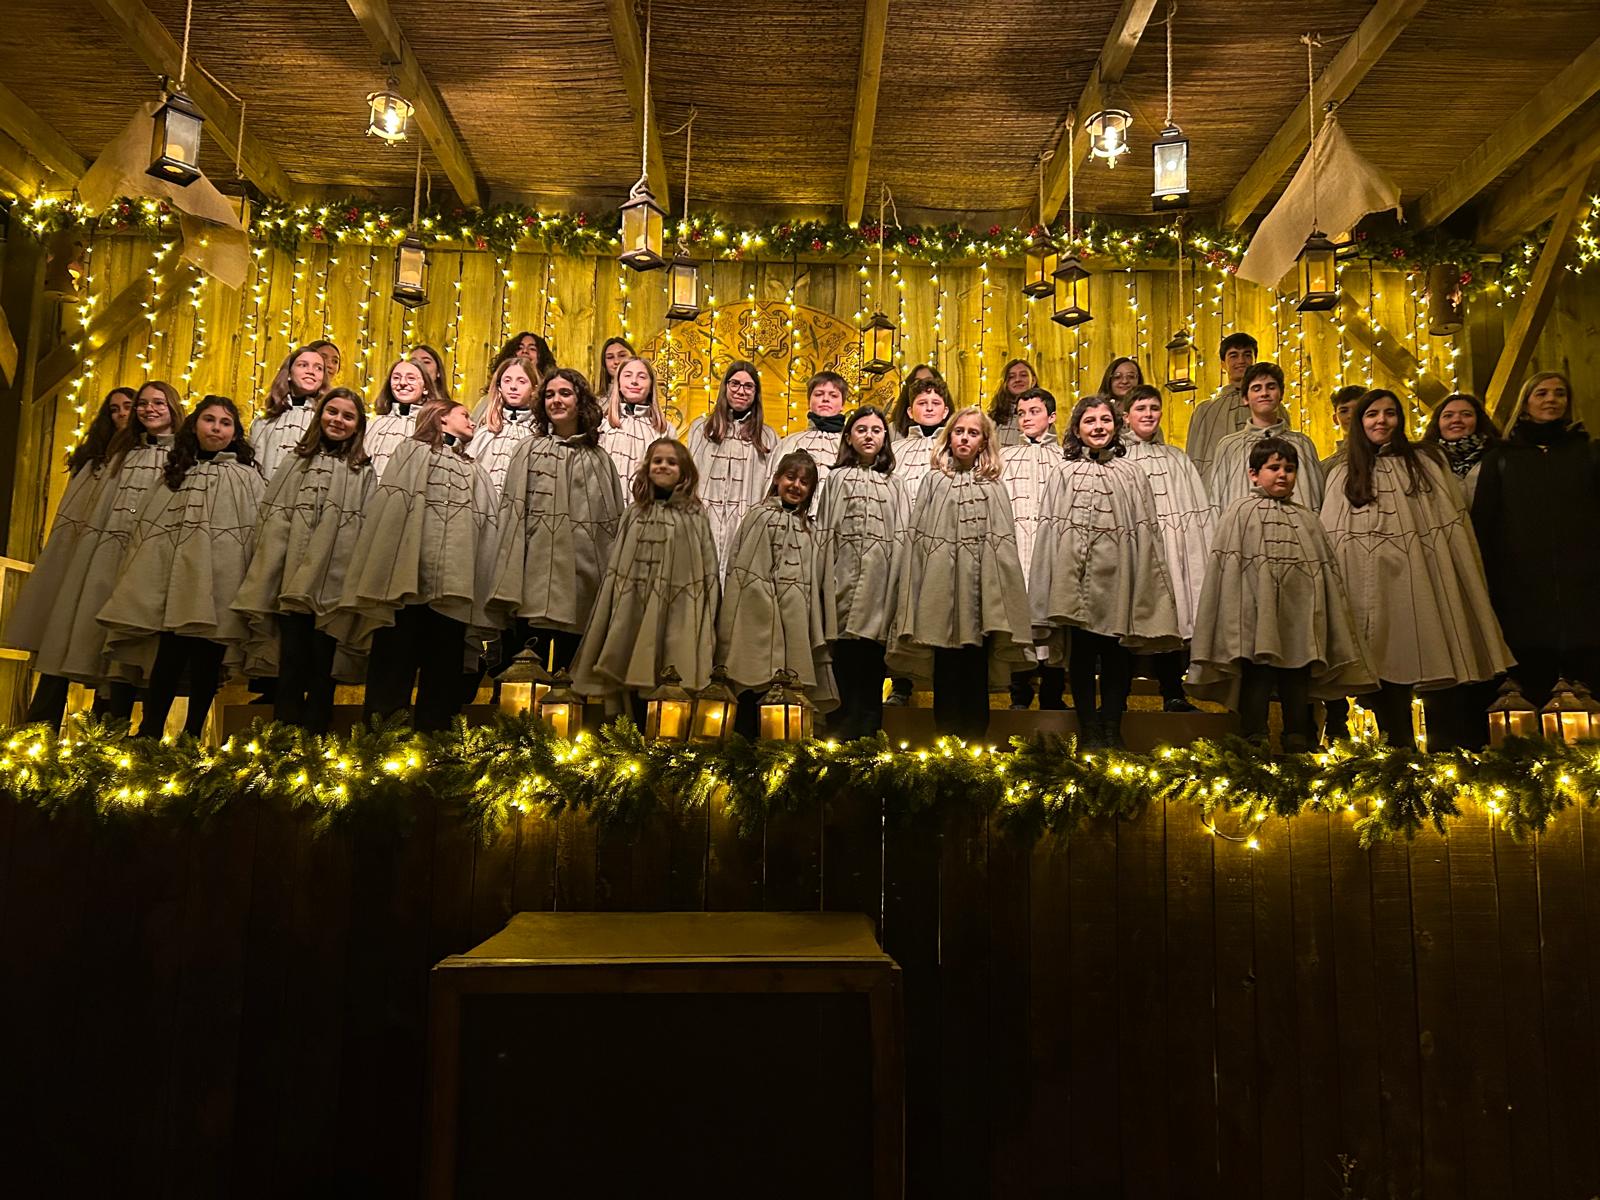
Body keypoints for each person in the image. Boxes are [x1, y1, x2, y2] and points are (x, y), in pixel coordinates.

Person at [1322, 388, 1513, 748]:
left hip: (1422, 583)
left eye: (1390, 413)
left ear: (1401, 419)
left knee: (1437, 665)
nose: (1382, 420)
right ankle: (1396, 751)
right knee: (1381, 674)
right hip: (1369, 590)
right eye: (1372, 414)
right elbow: (1333, 539)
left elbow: (1452, 531)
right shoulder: (1342, 473)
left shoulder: (1426, 463)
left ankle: (1447, 753)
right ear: (1360, 422)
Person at [1187, 438, 1374, 751]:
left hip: (1298, 620)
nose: (1283, 475)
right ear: (1253, 474)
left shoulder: (1307, 520)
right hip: (1254, 618)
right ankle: (1253, 735)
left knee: (1296, 678)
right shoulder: (1239, 513)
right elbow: (1228, 571)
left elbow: (1324, 574)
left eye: (1289, 469)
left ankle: (1298, 734)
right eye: (1273, 468)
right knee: (1257, 676)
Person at [97, 396, 265, 739]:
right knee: (168, 659)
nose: (216, 428)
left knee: (208, 661)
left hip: (221, 582)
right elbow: (151, 529)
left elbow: (255, 531)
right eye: (209, 420)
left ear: (234, 433)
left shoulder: (246, 477)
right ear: (194, 426)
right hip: (174, 584)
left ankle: (191, 737)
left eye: (225, 423)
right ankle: (150, 732)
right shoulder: (175, 473)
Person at [332, 400, 498, 732]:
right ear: (441, 420)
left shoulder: (475, 469)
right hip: (406, 589)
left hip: (454, 591)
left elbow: (485, 529)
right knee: (393, 670)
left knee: (442, 677)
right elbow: (393, 514)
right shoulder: (412, 452)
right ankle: (379, 753)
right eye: (464, 415)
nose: (472, 421)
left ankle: (434, 754)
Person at [24, 382, 185, 718]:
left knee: (122, 653)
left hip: (147, 564)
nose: (147, 409)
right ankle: (42, 729)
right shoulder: (118, 454)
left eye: (158, 403)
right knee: (82, 638)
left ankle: (109, 734)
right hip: (104, 560)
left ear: (172, 407)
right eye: (143, 403)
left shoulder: (183, 456)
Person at [1030, 395, 1182, 749]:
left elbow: (1146, 531)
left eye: (1104, 421)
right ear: (1077, 429)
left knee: (1116, 655)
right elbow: (1051, 531)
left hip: (1119, 580)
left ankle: (1112, 724)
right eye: (1089, 422)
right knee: (1081, 656)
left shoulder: (1131, 474)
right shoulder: (1063, 472)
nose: (1098, 427)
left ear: (1116, 426)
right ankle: (1089, 728)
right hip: (1077, 583)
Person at [233, 388, 374, 732]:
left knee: (323, 664)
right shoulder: (296, 461)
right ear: (320, 415)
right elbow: (273, 518)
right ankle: (284, 739)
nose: (338, 420)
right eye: (333, 412)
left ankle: (316, 740)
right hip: (291, 579)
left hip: (333, 583)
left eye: (348, 416)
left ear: (358, 426)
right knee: (292, 660)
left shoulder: (361, 470)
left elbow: (364, 526)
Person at [887, 407, 1032, 740]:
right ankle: (946, 743)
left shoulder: (994, 486)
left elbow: (1003, 547)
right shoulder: (934, 481)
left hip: (980, 599)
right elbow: (919, 540)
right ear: (949, 437)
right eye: (959, 431)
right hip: (941, 597)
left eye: (973, 433)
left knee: (975, 669)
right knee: (947, 670)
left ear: (983, 442)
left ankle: (975, 745)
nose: (965, 438)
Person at [4, 386, 136, 729]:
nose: (122, 413)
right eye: (114, 409)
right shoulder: (91, 461)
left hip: (115, 561)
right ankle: (38, 728)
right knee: (59, 640)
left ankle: (104, 733)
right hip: (77, 559)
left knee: (104, 650)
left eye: (128, 407)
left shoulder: (142, 460)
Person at [1473, 370, 1600, 707]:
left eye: (1559, 393)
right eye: (1542, 393)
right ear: (1526, 402)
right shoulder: (1500, 458)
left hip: (1585, 590)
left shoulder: (1588, 453)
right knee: (1533, 690)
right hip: (1522, 593)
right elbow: (1484, 525)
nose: (1551, 400)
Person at [486, 368, 624, 676]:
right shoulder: (527, 450)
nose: (556, 400)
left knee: (569, 678)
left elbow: (610, 530)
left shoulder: (599, 459)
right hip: (531, 585)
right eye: (549, 395)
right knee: (519, 677)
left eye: (564, 393)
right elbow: (512, 518)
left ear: (580, 401)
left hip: (580, 588)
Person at [571, 439, 721, 711]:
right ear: (647, 467)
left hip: (677, 609)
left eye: (671, 462)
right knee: (629, 669)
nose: (663, 466)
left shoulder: (694, 515)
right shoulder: (635, 512)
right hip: (632, 608)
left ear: (685, 472)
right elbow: (618, 563)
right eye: (657, 461)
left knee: (669, 671)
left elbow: (706, 567)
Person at [715, 450, 837, 737]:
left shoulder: (810, 529)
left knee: (787, 699)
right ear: (777, 479)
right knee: (750, 688)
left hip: (794, 624)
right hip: (755, 622)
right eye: (790, 477)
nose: (796, 486)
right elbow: (742, 567)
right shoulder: (758, 516)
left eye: (804, 482)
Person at [1121, 384, 1216, 712]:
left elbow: (1194, 515)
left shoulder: (1176, 459)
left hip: (1170, 550)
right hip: (1131, 551)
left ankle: (1173, 691)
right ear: (1126, 416)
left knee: (1169, 614)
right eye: (1140, 408)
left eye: (1153, 408)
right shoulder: (1118, 457)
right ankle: (1119, 699)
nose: (1148, 414)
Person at [817, 406, 907, 739]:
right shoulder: (836, 478)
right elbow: (826, 532)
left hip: (879, 588)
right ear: (850, 437)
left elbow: (902, 536)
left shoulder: (895, 484)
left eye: (876, 430)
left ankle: (869, 741)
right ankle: (836, 740)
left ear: (885, 438)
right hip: (842, 584)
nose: (869, 435)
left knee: (871, 668)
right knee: (842, 665)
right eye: (861, 429)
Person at [885, 374, 953, 706]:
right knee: (903, 613)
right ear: (910, 412)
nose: (929, 409)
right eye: (922, 404)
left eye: (935, 404)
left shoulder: (954, 448)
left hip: (941, 543)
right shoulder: (896, 449)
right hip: (902, 541)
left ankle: (943, 688)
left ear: (945, 410)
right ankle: (902, 686)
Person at [999, 386, 1066, 711]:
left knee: (1054, 618)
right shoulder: (1005, 457)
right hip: (1017, 549)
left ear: (1051, 417)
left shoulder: (1065, 457)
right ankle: (1020, 695)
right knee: (1019, 619)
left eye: (1034, 412)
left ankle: (1052, 696)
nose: (1027, 419)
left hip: (1051, 551)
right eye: (1022, 413)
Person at [685, 360, 776, 573]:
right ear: (725, 386)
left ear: (756, 392)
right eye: (735, 384)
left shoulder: (768, 437)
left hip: (744, 524)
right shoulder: (700, 429)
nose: (741, 391)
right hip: (704, 521)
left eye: (748, 386)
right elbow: (689, 477)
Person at [1206, 362, 1323, 510]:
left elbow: (1317, 499)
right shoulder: (1229, 446)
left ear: (1280, 395)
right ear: (1245, 398)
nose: (1264, 393)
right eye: (1256, 388)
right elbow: (1217, 500)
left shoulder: (1302, 444)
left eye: (1271, 387)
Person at [1183, 331, 1262, 475]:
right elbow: (1193, 459)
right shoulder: (1205, 411)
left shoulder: (1268, 406)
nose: (1241, 360)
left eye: (1247, 354)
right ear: (1223, 365)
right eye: (1233, 355)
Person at [249, 345, 326, 479]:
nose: (311, 371)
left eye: (318, 368)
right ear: (289, 373)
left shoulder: (324, 422)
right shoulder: (263, 423)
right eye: (303, 365)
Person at [466, 356, 539, 494]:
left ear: (534, 389)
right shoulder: (486, 431)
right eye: (507, 380)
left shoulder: (539, 432)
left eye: (521, 381)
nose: (513, 386)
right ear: (499, 387)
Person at [599, 356, 673, 491]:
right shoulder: (603, 425)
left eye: (642, 377)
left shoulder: (665, 430)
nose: (634, 381)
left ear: (651, 386)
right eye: (627, 376)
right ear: (619, 384)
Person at [773, 371, 849, 503]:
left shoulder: (849, 445)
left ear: (842, 404)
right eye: (819, 394)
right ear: (809, 401)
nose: (825, 399)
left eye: (833, 395)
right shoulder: (789, 443)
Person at [1422, 391, 1500, 506]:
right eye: (1448, 415)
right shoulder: (1424, 461)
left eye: (1466, 414)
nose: (1456, 420)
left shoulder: (1499, 457)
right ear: (1438, 423)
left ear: (1478, 420)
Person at [365, 357, 437, 478]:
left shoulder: (432, 428)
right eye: (396, 378)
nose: (402, 383)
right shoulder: (374, 424)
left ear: (425, 387)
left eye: (411, 378)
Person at [987, 358, 1039, 447]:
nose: (1017, 379)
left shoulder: (1043, 416)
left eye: (1023, 375)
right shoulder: (994, 417)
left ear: (1033, 381)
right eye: (1011, 377)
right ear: (1006, 383)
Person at [887, 363, 947, 441]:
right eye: (917, 382)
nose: (923, 386)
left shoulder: (954, 428)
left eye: (929, 381)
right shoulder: (893, 430)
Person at [595, 336, 635, 401]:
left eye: (622, 355)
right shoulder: (597, 402)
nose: (616, 361)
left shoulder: (644, 394)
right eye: (610, 357)